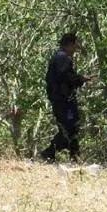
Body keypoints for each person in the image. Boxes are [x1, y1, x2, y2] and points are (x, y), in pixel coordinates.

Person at [42, 32, 90, 163]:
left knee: (72, 128)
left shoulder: (59, 58)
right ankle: (50, 152)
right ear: (69, 44)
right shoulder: (62, 58)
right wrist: (80, 79)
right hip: (63, 101)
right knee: (69, 128)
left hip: (62, 99)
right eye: (75, 45)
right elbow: (66, 77)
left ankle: (74, 156)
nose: (76, 49)